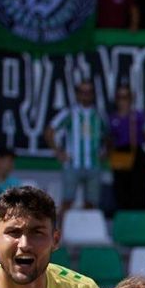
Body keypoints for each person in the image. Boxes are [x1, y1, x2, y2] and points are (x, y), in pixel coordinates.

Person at [45, 79, 106, 218]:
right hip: (72, 164)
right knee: (67, 201)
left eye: (89, 92)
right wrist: (58, 152)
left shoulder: (98, 115)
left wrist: (104, 153)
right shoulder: (69, 113)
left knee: (91, 203)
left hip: (94, 165)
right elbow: (49, 131)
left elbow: (108, 136)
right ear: (77, 94)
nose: (86, 95)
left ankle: (87, 233)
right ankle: (58, 234)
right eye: (83, 92)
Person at [106, 84, 145, 213]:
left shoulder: (138, 115)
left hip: (136, 152)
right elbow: (109, 139)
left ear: (131, 99)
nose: (123, 101)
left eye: (126, 97)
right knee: (121, 188)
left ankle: (141, 215)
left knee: (140, 187)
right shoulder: (113, 118)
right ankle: (123, 215)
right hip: (120, 154)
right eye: (120, 97)